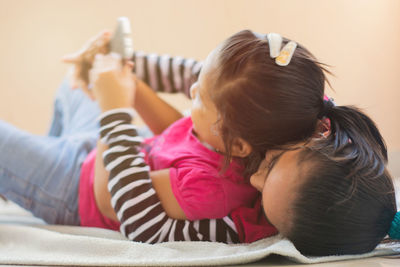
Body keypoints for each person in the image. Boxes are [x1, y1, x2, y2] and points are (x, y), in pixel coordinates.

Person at [0, 29, 397, 256]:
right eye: (271, 166)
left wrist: (116, 108)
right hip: (119, 149)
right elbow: (198, 89)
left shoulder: (227, 185)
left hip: (80, 184)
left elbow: (113, 199)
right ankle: (23, 173)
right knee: (74, 85)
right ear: (317, 132)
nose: (255, 182)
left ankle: (25, 180)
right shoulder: (269, 123)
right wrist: (120, 65)